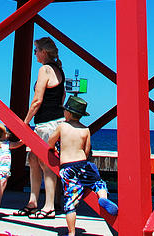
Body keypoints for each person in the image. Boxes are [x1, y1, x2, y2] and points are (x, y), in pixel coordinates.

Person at [48, 96, 117, 236]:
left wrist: (54, 149)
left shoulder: (62, 127)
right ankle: (103, 198)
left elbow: (50, 142)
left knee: (70, 202)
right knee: (98, 183)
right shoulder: (85, 130)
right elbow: (86, 151)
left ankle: (72, 232)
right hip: (83, 164)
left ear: (68, 113)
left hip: (68, 167)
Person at [14, 36, 66, 218]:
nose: (34, 53)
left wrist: (25, 122)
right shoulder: (59, 70)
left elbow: (37, 100)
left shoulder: (44, 69)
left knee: (46, 162)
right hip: (54, 121)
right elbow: (62, 99)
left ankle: (49, 205)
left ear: (44, 52)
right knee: (34, 159)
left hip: (46, 124)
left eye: (36, 50)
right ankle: (33, 201)